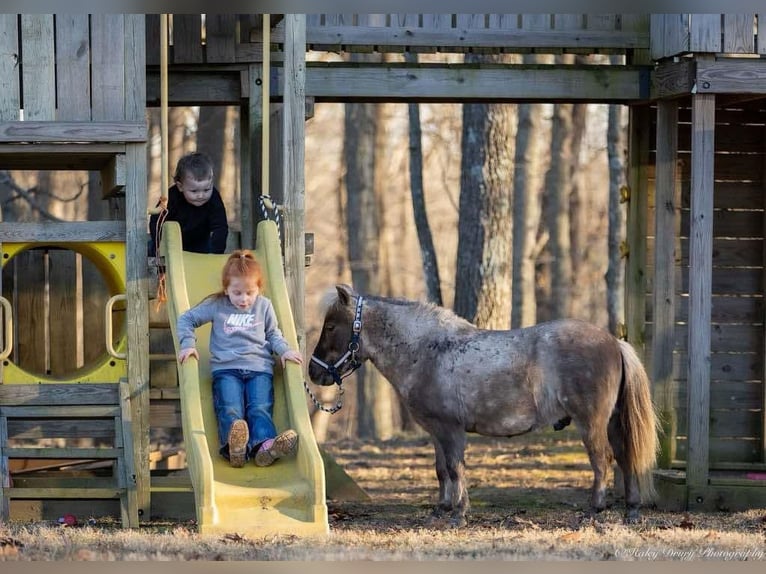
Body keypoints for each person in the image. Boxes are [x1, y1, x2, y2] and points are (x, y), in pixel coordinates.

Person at [176, 250, 302, 468]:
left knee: (259, 408)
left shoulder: (264, 306)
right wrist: (188, 345)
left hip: (259, 368)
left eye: (249, 293)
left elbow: (273, 334)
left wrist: (285, 351)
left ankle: (265, 447)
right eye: (237, 293)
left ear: (258, 289)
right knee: (230, 407)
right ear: (226, 289)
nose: (243, 299)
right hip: (226, 369)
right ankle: (234, 448)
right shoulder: (217, 305)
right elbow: (187, 319)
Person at [149, 152, 229, 255]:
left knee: (207, 252)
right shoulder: (171, 197)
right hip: (171, 243)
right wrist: (158, 245)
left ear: (212, 183)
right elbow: (156, 221)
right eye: (194, 191)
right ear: (180, 186)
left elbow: (220, 226)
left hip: (201, 243)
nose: (201, 195)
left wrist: (216, 253)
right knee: (150, 252)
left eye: (206, 190)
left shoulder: (214, 198)